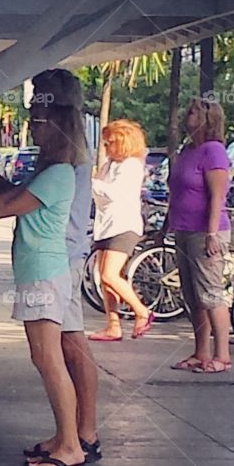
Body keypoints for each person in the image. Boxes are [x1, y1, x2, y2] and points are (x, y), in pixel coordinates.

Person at [0, 82, 90, 466]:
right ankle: (62, 437)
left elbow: (3, 208)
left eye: (39, 123)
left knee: (49, 359)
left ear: (58, 128)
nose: (33, 128)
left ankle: (71, 445)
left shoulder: (59, 173)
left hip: (44, 274)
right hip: (40, 272)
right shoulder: (49, 172)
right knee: (46, 358)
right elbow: (13, 194)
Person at [166, 98, 232, 374]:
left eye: (193, 112)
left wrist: (212, 232)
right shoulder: (187, 150)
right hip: (183, 229)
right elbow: (177, 192)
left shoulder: (213, 151)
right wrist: (166, 227)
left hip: (205, 232)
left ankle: (222, 356)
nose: (187, 115)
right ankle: (201, 351)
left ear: (207, 119)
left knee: (210, 293)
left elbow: (217, 195)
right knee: (193, 296)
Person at [88, 119, 152, 341]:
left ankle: (141, 311)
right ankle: (112, 325)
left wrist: (91, 182)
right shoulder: (110, 165)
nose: (106, 148)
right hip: (106, 225)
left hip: (122, 225)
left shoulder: (131, 166)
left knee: (110, 274)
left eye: (110, 143)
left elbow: (113, 193)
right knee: (104, 278)